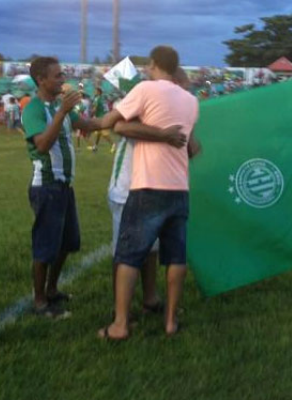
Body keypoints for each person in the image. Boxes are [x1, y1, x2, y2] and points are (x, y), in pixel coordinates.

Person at [21, 56, 184, 318]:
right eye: (57, 75)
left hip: (64, 186)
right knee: (46, 246)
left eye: (62, 74)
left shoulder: (63, 109)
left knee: (68, 243)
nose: (63, 79)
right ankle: (40, 301)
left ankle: (52, 289)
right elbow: (41, 145)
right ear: (41, 79)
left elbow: (92, 124)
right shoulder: (35, 108)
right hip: (47, 185)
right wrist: (63, 112)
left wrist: (119, 116)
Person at [96, 45, 199, 339]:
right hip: (179, 188)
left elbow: (118, 125)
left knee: (128, 255)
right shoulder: (192, 101)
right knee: (176, 257)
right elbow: (191, 145)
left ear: (153, 64)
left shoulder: (145, 89)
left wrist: (86, 121)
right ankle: (169, 322)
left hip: (148, 185)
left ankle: (120, 325)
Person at [90, 88, 116, 153]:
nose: (94, 92)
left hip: (101, 117)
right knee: (98, 133)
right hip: (105, 115)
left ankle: (113, 144)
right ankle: (95, 146)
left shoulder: (97, 98)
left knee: (104, 133)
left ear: (98, 92)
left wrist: (91, 114)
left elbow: (94, 109)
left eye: (95, 91)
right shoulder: (103, 99)